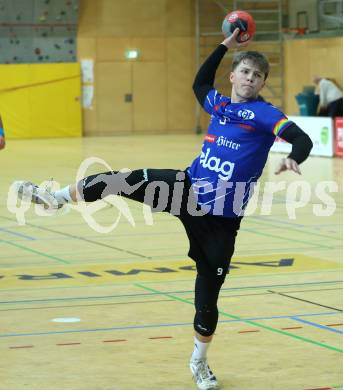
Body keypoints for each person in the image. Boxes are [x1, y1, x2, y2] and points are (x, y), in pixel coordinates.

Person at [14, 28, 313, 390]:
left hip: (221, 219)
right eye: (245, 71)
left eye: (258, 75)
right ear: (233, 75)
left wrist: (294, 157)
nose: (250, 78)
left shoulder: (266, 114)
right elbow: (200, 83)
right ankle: (57, 198)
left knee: (207, 297)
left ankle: (198, 362)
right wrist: (224, 46)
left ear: (264, 82)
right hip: (186, 189)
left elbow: (302, 137)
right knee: (122, 180)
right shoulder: (218, 104)